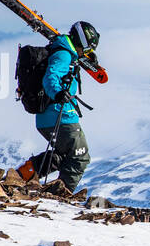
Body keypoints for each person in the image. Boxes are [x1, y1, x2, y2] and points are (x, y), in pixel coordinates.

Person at [17, 21, 98, 190]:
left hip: (48, 117)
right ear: (81, 42)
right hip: (60, 114)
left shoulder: (63, 52)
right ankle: (62, 195)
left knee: (61, 155)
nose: (88, 52)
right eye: (88, 48)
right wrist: (58, 93)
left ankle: (20, 176)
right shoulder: (64, 55)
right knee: (79, 156)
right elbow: (51, 76)